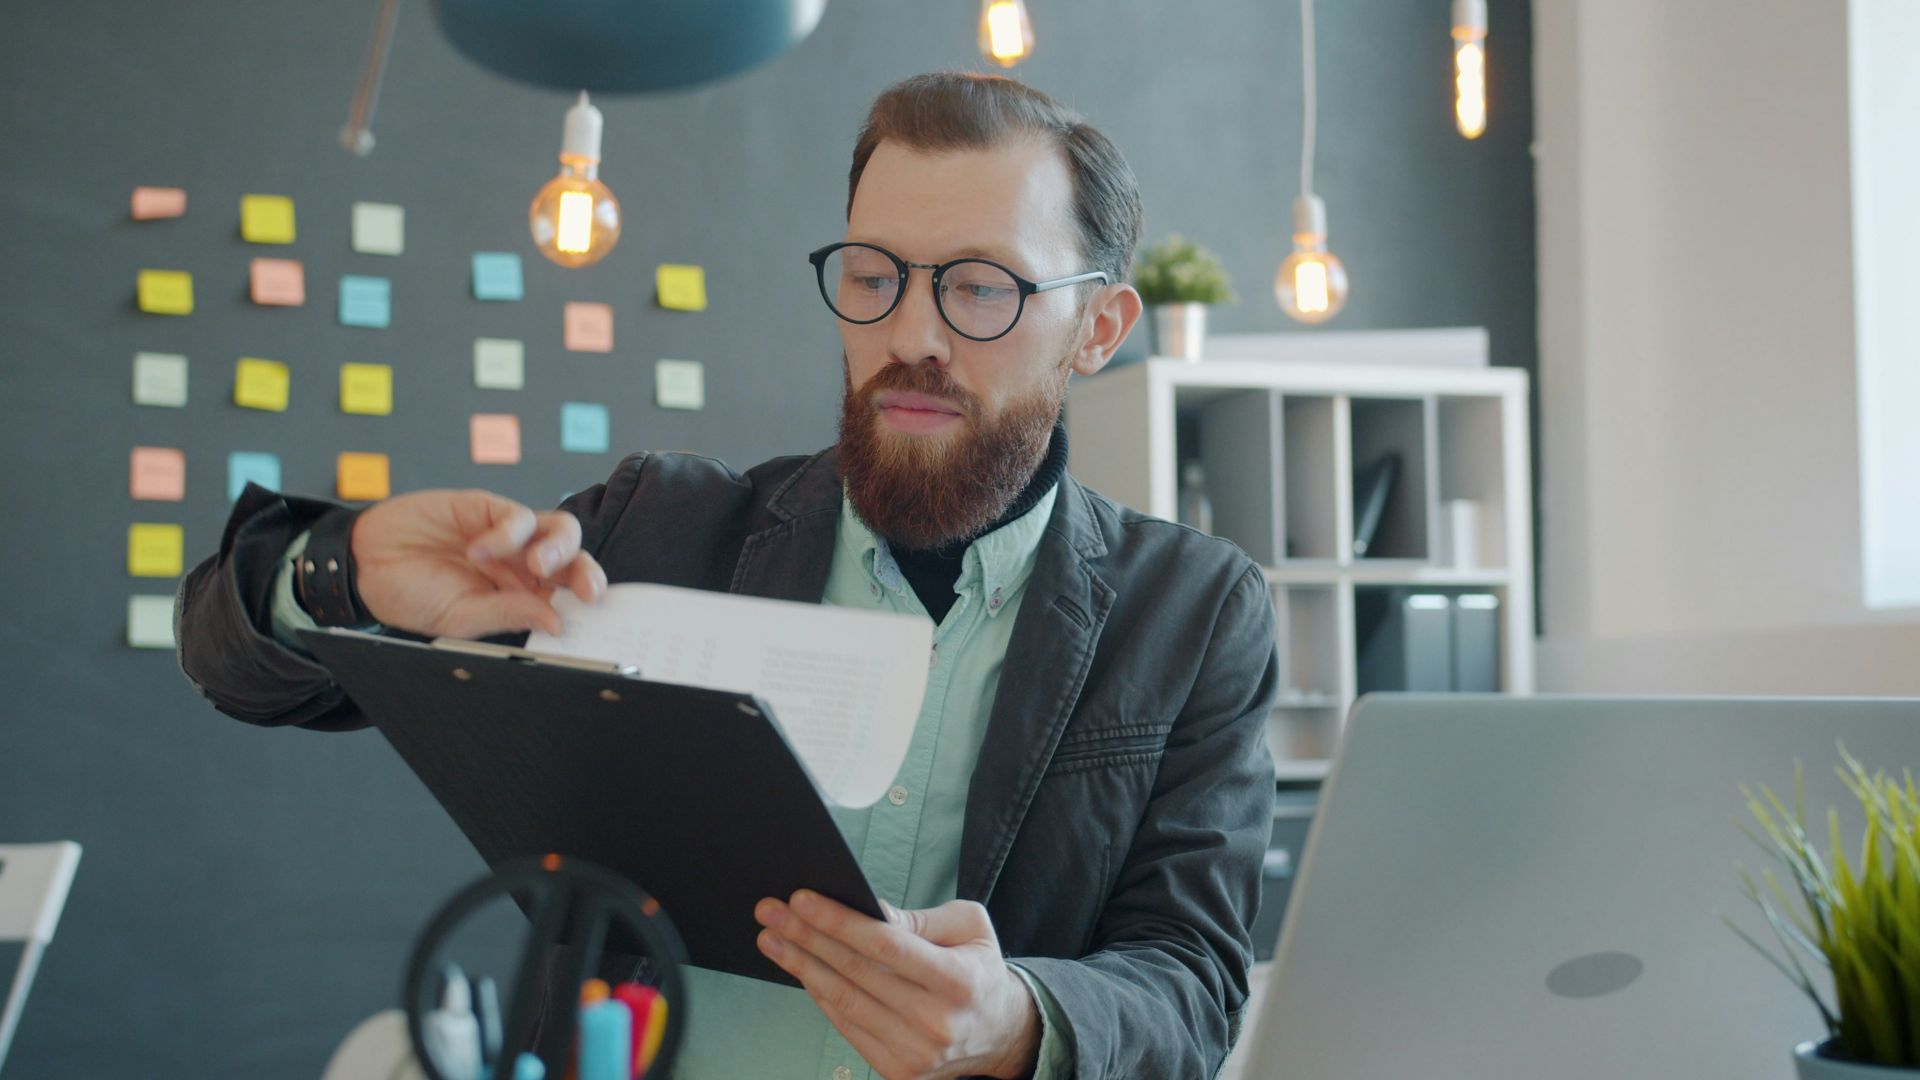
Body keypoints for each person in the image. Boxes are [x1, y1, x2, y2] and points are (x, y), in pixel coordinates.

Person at [177, 70, 1278, 1080]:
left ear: (1098, 327)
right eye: (874, 274)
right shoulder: (655, 531)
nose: (912, 333)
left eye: (981, 289)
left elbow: (1192, 981)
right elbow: (239, 671)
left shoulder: (1194, 615)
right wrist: (343, 574)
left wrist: (1022, 1020)